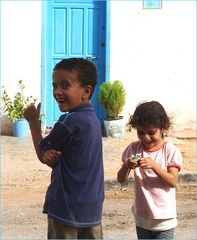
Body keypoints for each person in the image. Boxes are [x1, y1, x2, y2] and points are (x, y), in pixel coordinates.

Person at [24, 58, 104, 239]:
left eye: (65, 86)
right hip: (91, 209)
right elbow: (75, 160)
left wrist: (33, 123)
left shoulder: (70, 121)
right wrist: (54, 160)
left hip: (66, 207)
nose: (57, 92)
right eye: (54, 86)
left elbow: (41, 153)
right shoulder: (93, 121)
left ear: (86, 91)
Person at [117, 101, 183, 240]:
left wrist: (155, 166)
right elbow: (121, 179)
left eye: (151, 132)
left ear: (163, 129)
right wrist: (126, 166)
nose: (145, 137)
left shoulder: (169, 151)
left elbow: (173, 181)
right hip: (142, 219)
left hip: (164, 221)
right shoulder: (134, 149)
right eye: (140, 132)